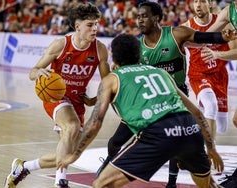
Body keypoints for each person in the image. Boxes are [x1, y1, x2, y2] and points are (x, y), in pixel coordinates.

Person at [96, 2, 236, 187]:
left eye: (144, 16)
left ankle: (171, 183)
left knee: (177, 142)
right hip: (149, 101)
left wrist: (222, 37)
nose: (139, 19)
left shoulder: (176, 34)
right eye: (138, 16)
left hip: (176, 98)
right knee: (115, 141)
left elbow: (202, 36)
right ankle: (109, 161)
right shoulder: (138, 48)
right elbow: (127, 76)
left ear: (156, 18)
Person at [57, 33, 224, 188]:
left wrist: (75, 154)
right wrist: (211, 148)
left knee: (102, 183)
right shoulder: (161, 72)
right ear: (139, 54)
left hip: (158, 133)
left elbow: (95, 123)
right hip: (190, 129)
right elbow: (197, 113)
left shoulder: (111, 79)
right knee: (208, 184)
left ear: (114, 58)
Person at [4, 2, 110, 188]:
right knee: (71, 125)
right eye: (90, 25)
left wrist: (95, 99)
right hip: (56, 97)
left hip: (77, 101)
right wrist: (38, 73)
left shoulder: (100, 49)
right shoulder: (61, 45)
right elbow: (33, 71)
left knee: (69, 152)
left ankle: (23, 167)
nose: (95, 29)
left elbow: (108, 81)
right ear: (77, 26)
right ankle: (60, 181)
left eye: (96, 24)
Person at [183, 0, 237, 140]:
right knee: (210, 106)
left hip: (219, 75)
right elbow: (204, 36)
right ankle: (208, 150)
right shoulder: (227, 13)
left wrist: (217, 53)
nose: (198, 5)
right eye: (195, 2)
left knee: (224, 126)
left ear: (211, 4)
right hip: (199, 74)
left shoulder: (226, 20)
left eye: (202, 1)